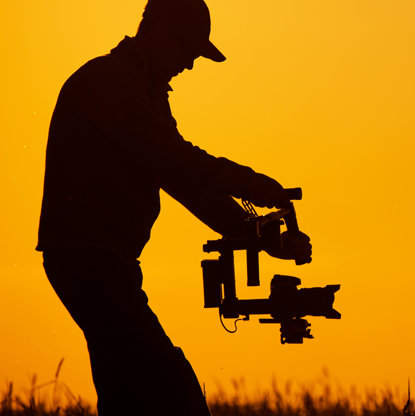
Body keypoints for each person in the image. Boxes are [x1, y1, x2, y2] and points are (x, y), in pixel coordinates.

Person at [36, 0, 310, 414]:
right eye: (188, 51)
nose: (190, 65)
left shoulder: (144, 93)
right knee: (172, 389)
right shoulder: (108, 83)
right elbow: (172, 159)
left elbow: (185, 183)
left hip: (109, 265)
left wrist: (262, 236)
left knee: (127, 396)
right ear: (159, 32)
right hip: (88, 263)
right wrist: (248, 182)